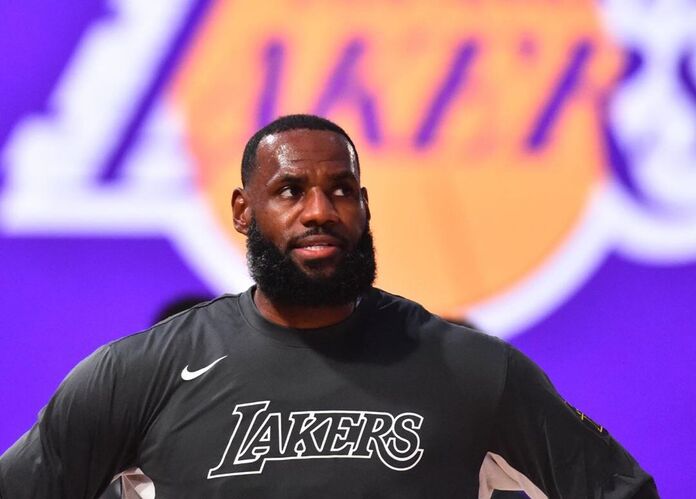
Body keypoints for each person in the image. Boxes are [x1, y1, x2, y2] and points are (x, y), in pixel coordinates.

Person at [0, 114, 658, 498]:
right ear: (243, 210)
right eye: (290, 190)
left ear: (364, 207)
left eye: (341, 190)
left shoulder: (473, 371)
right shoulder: (143, 372)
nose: (319, 210)